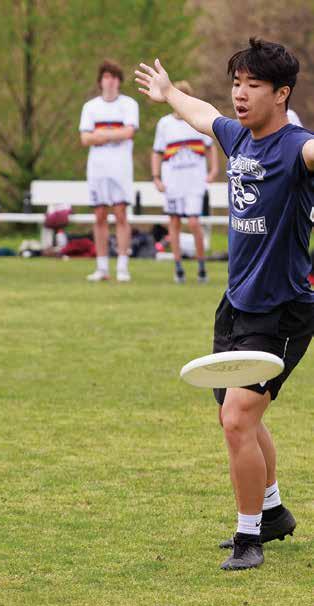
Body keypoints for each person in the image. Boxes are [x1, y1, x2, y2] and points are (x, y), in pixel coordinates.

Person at [136, 38, 314, 570]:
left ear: (281, 94)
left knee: (238, 417)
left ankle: (248, 537)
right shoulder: (238, 138)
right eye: (237, 83)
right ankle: (273, 511)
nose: (240, 94)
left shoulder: (298, 148)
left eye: (253, 85)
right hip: (236, 304)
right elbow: (202, 114)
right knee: (235, 417)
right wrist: (169, 92)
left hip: (283, 309)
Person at [151, 81, 219, 284]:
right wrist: (156, 177)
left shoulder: (197, 121)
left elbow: (210, 147)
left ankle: (201, 266)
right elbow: (157, 152)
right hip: (173, 181)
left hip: (194, 181)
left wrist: (213, 170)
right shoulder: (164, 124)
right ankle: (178, 267)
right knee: (174, 222)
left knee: (194, 222)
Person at [80, 60, 139, 283]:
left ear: (119, 81)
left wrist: (102, 135)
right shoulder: (90, 107)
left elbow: (128, 132)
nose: (110, 81)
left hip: (120, 168)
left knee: (121, 213)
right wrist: (114, 134)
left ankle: (122, 266)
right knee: (100, 215)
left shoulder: (129, 104)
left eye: (114, 77)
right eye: (106, 77)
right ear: (100, 81)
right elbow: (85, 138)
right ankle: (102, 266)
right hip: (97, 168)